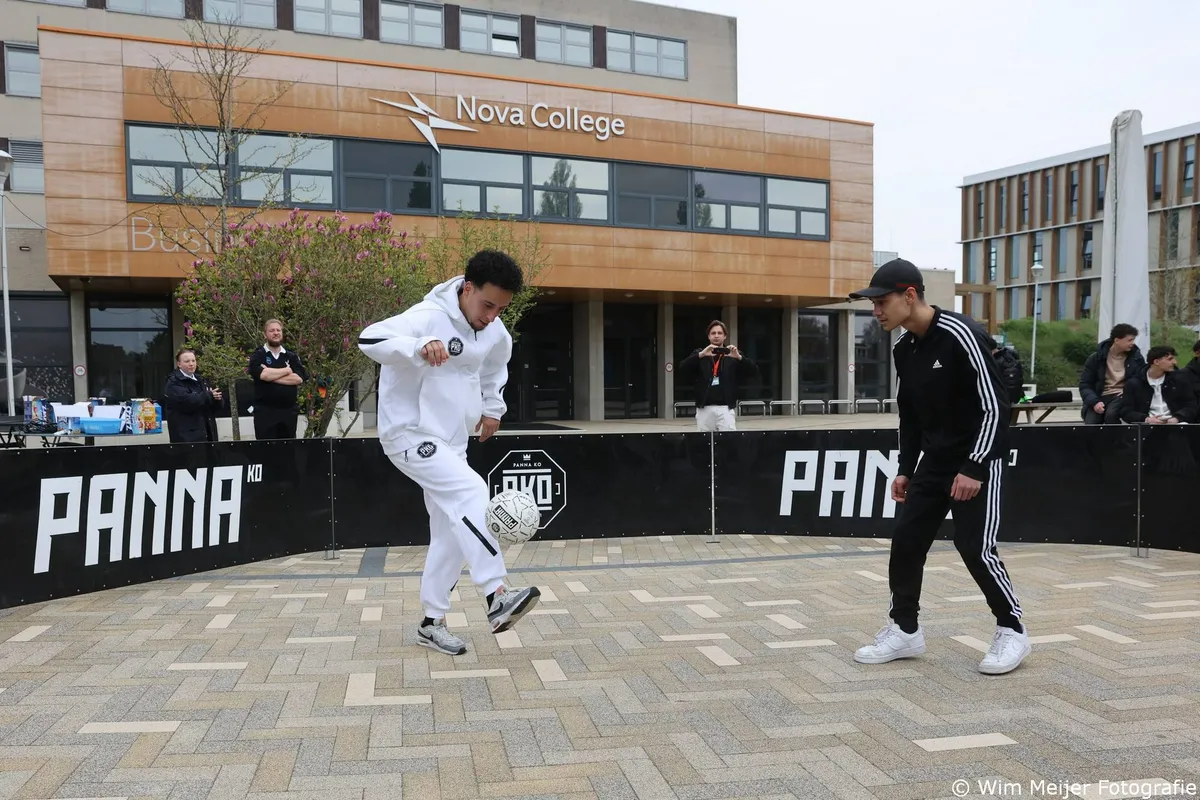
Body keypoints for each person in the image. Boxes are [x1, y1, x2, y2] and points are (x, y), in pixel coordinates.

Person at [847, 258, 1029, 675]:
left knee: (975, 548)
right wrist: (906, 468)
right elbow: (909, 415)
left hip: (976, 459)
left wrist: (976, 466)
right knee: (907, 540)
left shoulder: (961, 334)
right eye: (873, 304)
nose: (876, 312)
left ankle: (1012, 629)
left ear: (909, 296)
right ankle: (905, 630)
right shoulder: (903, 348)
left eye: (881, 302)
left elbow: (996, 406)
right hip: (934, 463)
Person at [358, 249, 540, 656]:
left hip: (454, 443)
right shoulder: (425, 316)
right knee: (473, 494)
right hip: (409, 436)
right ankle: (497, 594)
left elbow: (496, 365)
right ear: (467, 287)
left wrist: (493, 408)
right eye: (487, 304)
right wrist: (419, 345)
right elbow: (368, 337)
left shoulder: (495, 330)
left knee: (451, 534)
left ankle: (431, 622)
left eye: (501, 308)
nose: (492, 315)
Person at [677, 320, 758, 431]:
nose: (716, 336)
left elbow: (754, 371)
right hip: (704, 408)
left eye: (719, 333)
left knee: (728, 442)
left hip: (726, 407)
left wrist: (739, 358)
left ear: (725, 336)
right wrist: (700, 355)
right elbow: (682, 368)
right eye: (713, 333)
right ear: (708, 336)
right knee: (704, 443)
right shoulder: (701, 353)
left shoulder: (732, 354)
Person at [247, 319, 307, 439]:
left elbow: (299, 379)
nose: (276, 333)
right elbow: (263, 375)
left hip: (288, 413)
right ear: (265, 334)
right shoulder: (258, 355)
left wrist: (271, 376)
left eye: (278, 330)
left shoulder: (291, 356)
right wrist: (287, 371)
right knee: (266, 453)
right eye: (272, 330)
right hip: (265, 414)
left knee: (287, 453)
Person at [1079, 324, 1145, 425]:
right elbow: (1085, 384)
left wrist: (1128, 392)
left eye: (1133, 340)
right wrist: (1094, 402)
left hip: (1122, 395)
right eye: (1129, 340)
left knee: (1111, 415)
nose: (1132, 343)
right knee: (1091, 422)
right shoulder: (1096, 358)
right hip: (1100, 396)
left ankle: (1117, 440)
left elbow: (1140, 380)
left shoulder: (1136, 358)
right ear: (1117, 340)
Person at [1117, 345, 1197, 425]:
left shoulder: (1179, 379)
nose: (1175, 362)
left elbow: (1191, 405)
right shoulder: (1134, 383)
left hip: (1176, 425)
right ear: (1156, 362)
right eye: (1170, 359)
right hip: (1146, 427)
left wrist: (1177, 418)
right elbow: (1126, 411)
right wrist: (1146, 419)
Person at [163, 348, 222, 443]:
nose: (191, 364)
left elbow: (212, 406)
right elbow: (188, 401)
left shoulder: (201, 380)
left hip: (208, 434)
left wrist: (217, 399)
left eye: (193, 360)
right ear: (179, 364)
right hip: (186, 437)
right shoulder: (173, 383)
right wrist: (209, 396)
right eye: (187, 361)